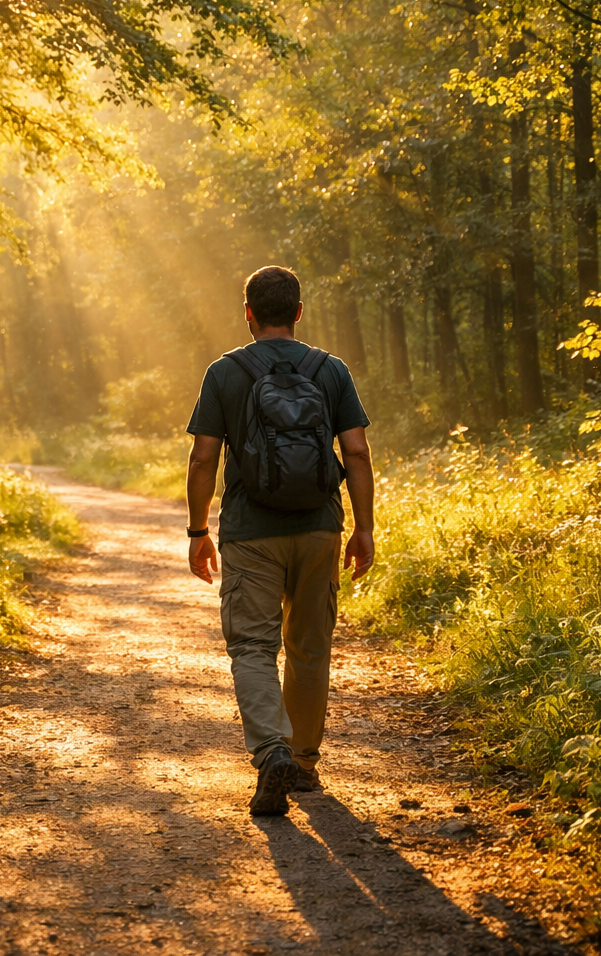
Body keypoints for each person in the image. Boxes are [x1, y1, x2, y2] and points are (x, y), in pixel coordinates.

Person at [185, 265, 376, 817]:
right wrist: (362, 527)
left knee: (252, 647)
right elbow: (357, 453)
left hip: (251, 534)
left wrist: (199, 530)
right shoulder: (330, 370)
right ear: (297, 312)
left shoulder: (225, 373)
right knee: (310, 647)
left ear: (248, 313)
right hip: (320, 528)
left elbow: (203, 458)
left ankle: (272, 753)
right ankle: (304, 761)